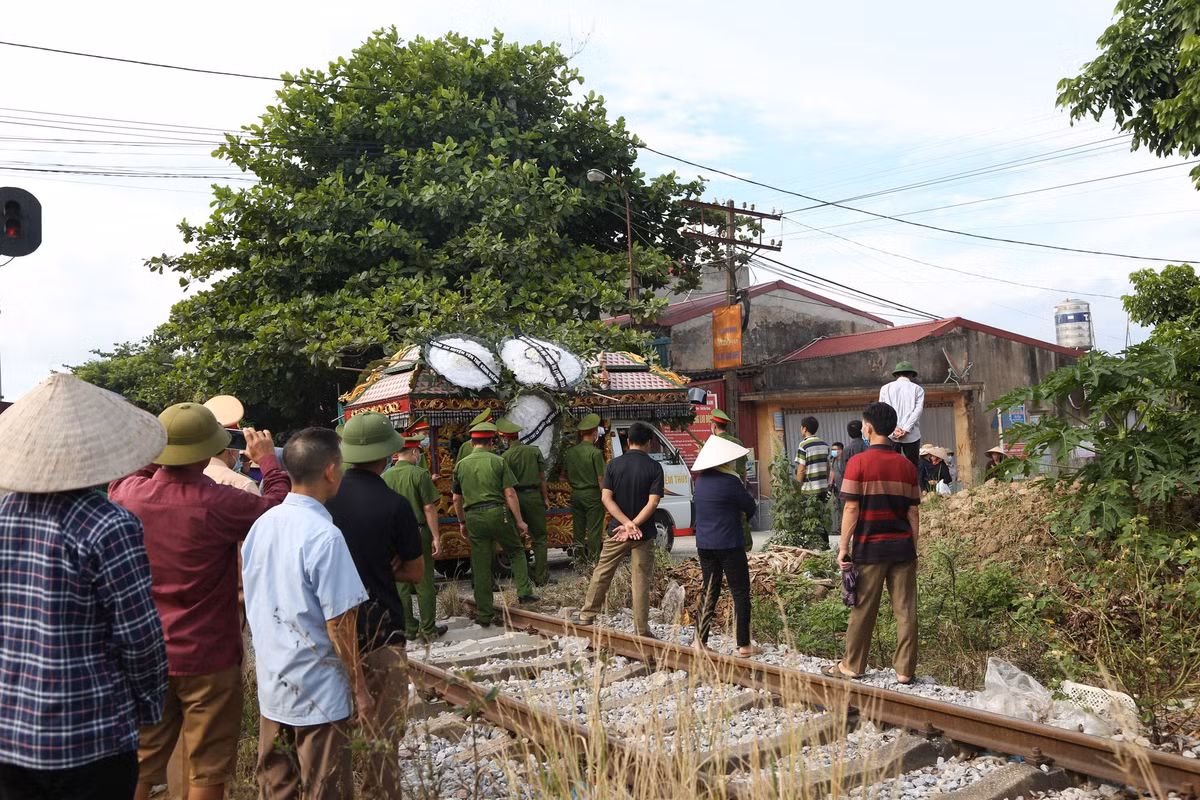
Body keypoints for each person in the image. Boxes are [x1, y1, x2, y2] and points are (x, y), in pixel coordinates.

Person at [109, 403, 290, 800]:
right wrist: (267, 464)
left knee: (140, 762)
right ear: (211, 447)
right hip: (209, 653)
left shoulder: (128, 495)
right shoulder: (222, 501)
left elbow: (127, 477)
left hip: (145, 654)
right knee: (208, 770)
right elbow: (275, 508)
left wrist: (149, 447)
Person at [0, 375, 169, 800]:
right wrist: (149, 704)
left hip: (9, 730)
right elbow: (139, 638)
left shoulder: (4, 514)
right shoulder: (109, 525)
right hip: (90, 734)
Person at [242, 428, 370, 800]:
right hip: (319, 693)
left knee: (276, 788)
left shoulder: (261, 525)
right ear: (331, 471)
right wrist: (359, 690)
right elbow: (339, 624)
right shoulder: (325, 536)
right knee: (324, 788)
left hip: (273, 685)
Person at [325, 412, 425, 800]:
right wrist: (386, 568)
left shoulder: (323, 500)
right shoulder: (395, 505)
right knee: (384, 733)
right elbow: (415, 572)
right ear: (386, 456)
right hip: (383, 628)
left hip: (329, 632)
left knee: (337, 734)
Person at [825, 401, 920, 685]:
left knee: (864, 608)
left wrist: (843, 548)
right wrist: (913, 547)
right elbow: (913, 511)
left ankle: (852, 665)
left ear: (868, 427)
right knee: (906, 610)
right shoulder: (906, 465)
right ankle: (905, 671)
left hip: (870, 548)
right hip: (902, 547)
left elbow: (851, 509)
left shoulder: (858, 463)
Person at [571, 422, 665, 638]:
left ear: (627, 441)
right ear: (648, 443)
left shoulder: (613, 465)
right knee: (641, 580)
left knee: (602, 572)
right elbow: (653, 504)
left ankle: (587, 615)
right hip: (644, 534)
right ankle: (642, 629)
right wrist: (635, 525)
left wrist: (625, 523)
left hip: (617, 532)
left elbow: (606, 498)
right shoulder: (654, 467)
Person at [452, 421, 537, 627]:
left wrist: (462, 521)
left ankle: (484, 614)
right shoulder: (498, 461)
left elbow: (456, 498)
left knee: (480, 564)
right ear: (491, 442)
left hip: (473, 516)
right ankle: (525, 593)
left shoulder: (461, 465)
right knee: (516, 551)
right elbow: (509, 492)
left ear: (472, 444)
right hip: (498, 513)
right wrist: (519, 520)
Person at [690, 435, 758, 657]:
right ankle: (744, 645)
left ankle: (699, 641)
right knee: (740, 592)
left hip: (705, 545)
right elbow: (749, 505)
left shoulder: (699, 481)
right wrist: (741, 513)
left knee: (709, 590)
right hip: (729, 543)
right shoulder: (730, 481)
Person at [385, 436, 448, 642]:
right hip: (418, 531)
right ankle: (428, 629)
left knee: (401, 583)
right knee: (423, 581)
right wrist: (436, 537)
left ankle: (409, 628)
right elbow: (429, 507)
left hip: (394, 534)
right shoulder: (420, 474)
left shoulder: (386, 477)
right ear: (414, 452)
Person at [498, 417, 552, 586]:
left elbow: (505, 485)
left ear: (505, 438)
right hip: (534, 496)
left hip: (515, 500)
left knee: (518, 540)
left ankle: (526, 577)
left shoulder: (504, 457)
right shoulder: (534, 451)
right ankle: (542, 577)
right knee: (540, 538)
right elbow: (542, 478)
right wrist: (545, 498)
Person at [563, 413, 606, 561]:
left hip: (576, 494)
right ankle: (594, 561)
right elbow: (601, 478)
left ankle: (579, 562)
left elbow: (564, 475)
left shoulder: (570, 452)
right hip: (593, 495)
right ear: (594, 433)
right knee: (594, 530)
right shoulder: (596, 453)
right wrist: (605, 496)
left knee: (578, 530)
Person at [711, 408, 752, 552]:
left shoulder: (712, 444)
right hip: (737, 486)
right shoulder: (737, 442)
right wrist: (743, 486)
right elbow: (744, 469)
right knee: (741, 516)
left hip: (718, 489)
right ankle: (745, 546)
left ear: (714, 426)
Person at [879, 361, 925, 465]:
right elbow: (917, 411)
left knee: (891, 466)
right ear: (911, 374)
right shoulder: (918, 389)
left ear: (896, 374)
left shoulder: (885, 388)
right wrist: (906, 429)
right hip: (912, 435)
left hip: (892, 434)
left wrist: (895, 428)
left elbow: (883, 410)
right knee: (913, 466)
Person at [793, 416, 831, 500]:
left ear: (804, 429)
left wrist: (797, 488)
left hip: (809, 490)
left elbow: (801, 469)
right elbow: (827, 467)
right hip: (823, 489)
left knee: (809, 512)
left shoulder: (803, 445)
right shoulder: (824, 445)